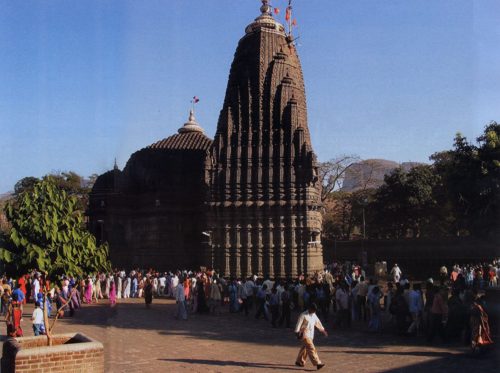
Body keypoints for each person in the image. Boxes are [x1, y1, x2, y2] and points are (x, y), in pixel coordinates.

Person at [294, 303, 328, 370]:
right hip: (304, 334)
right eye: (313, 310)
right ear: (309, 308)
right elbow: (299, 323)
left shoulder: (314, 315)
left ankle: (299, 361)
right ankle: (317, 363)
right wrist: (297, 332)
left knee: (305, 348)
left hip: (311, 334)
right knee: (311, 347)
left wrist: (323, 330)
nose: (314, 311)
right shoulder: (303, 315)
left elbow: (317, 322)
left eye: (315, 310)